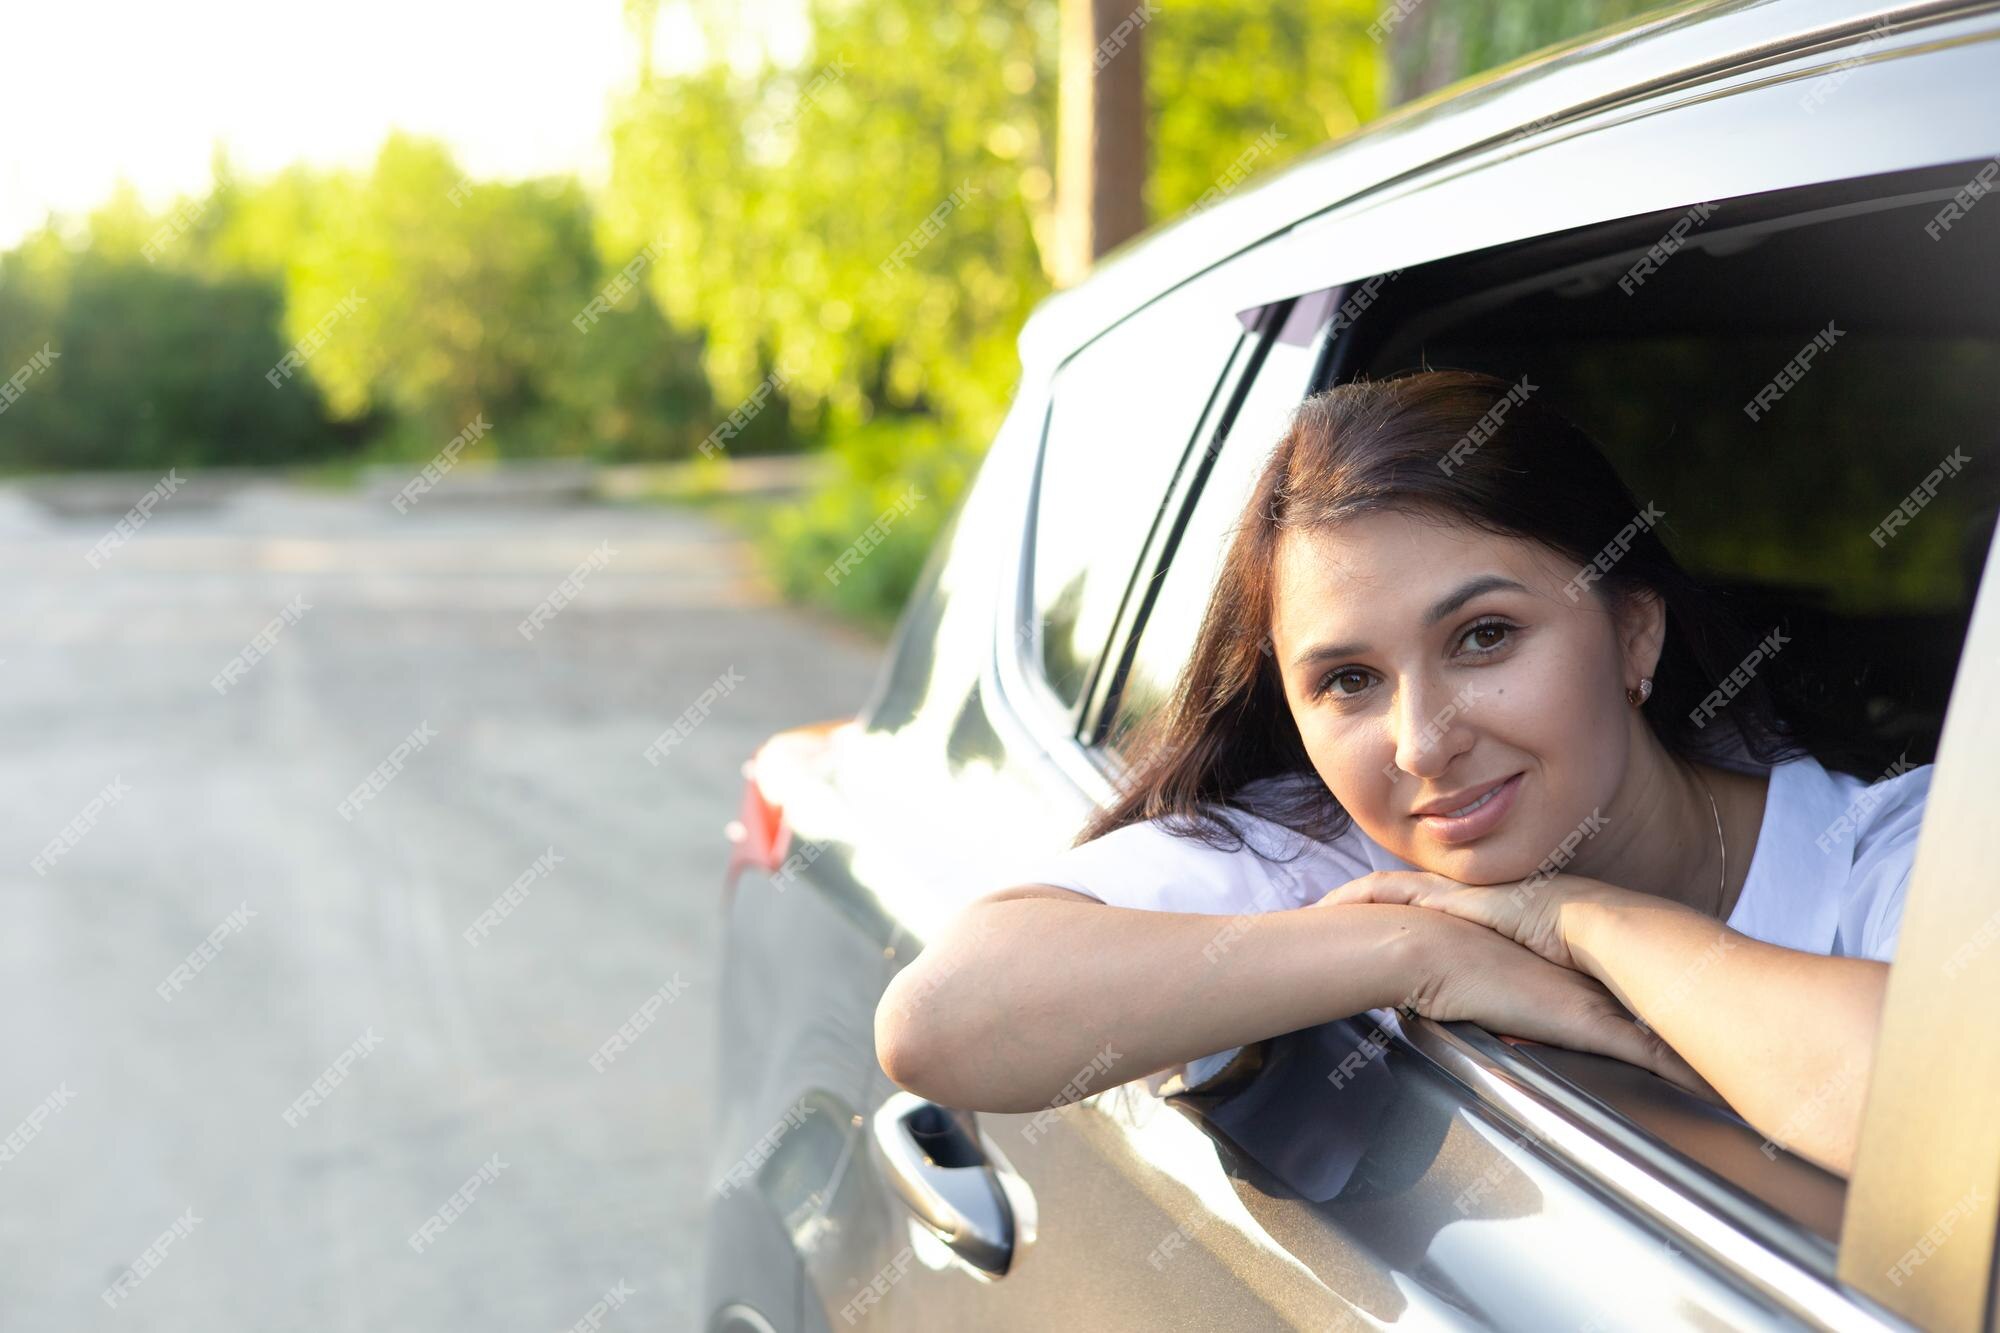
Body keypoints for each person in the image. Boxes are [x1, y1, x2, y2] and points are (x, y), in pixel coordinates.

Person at [874, 369, 1930, 1178]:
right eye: (1346, 680)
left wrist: (1582, 918)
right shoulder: (1325, 862)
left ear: (1631, 634)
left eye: (1482, 637)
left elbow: (1940, 1114)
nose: (1421, 745)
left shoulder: (1898, 847)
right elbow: (940, 1021)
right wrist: (1405, 947)